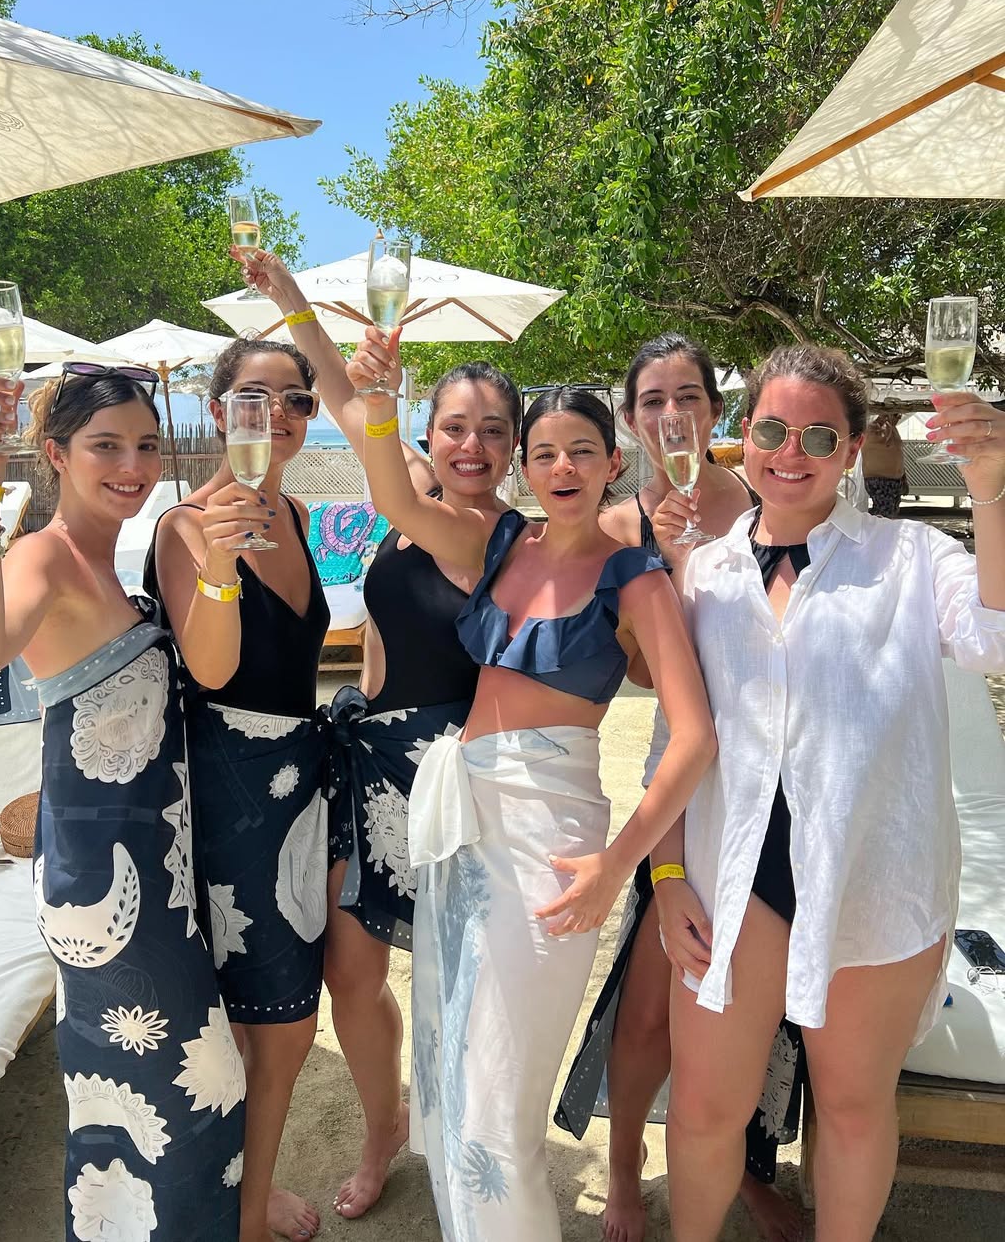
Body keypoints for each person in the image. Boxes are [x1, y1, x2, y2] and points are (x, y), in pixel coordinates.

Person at [347, 325, 717, 1242]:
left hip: (553, 832)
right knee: (447, 1061)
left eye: (580, 451)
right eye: (544, 451)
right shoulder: (497, 540)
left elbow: (694, 736)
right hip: (464, 811)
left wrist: (616, 864)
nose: (561, 466)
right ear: (524, 462)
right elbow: (394, 488)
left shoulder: (635, 577)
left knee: (500, 1091)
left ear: (613, 461)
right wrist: (384, 395)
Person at [665, 343, 1005, 1242]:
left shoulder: (912, 556)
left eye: (820, 433)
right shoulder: (701, 574)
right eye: (773, 428)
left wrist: (993, 488)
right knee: (703, 1110)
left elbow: (993, 638)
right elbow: (673, 740)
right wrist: (665, 881)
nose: (792, 450)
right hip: (730, 881)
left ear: (851, 448)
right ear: (744, 439)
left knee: (854, 1108)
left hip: (872, 878)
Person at [234, 246, 519, 1220]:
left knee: (449, 975)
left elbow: (369, 427)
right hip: (363, 762)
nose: (471, 445)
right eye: (454, 427)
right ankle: (382, 1123)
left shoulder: (496, 534)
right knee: (351, 971)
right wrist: (296, 305)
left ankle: (462, 1142)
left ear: (513, 443)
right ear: (431, 435)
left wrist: (377, 400)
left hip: (445, 769)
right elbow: (349, 401)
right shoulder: (411, 505)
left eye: (491, 430)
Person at [0, 363, 245, 1241]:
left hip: (156, 873)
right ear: (55, 453)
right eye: (105, 445)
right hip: (99, 890)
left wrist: (221, 557)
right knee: (188, 1086)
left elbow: (211, 667)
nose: (133, 463)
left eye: (146, 445)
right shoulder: (44, 555)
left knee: (157, 1097)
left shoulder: (113, 562)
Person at [555, 333, 803, 1242]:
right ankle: (625, 1170)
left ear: (716, 407)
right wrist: (657, 574)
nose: (673, 415)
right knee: (657, 997)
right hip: (686, 786)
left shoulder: (763, 500)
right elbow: (630, 675)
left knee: (763, 1003)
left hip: (782, 781)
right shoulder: (621, 525)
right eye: (653, 400)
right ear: (629, 418)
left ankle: (741, 1170)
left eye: (689, 395)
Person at [147, 335, 329, 1242]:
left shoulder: (293, 513)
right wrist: (219, 567)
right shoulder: (188, 525)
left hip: (298, 794)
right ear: (218, 412)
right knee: (269, 1022)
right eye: (254, 400)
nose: (279, 418)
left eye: (297, 401)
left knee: (283, 1021)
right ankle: (244, 1215)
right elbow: (211, 675)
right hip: (228, 800)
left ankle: (245, 1200)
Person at [861, 410, 906, 516]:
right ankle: (872, 531)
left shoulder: (891, 430)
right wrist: (884, 416)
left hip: (895, 480)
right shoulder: (871, 431)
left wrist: (903, 476)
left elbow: (896, 454)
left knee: (892, 512)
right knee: (884, 513)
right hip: (879, 479)